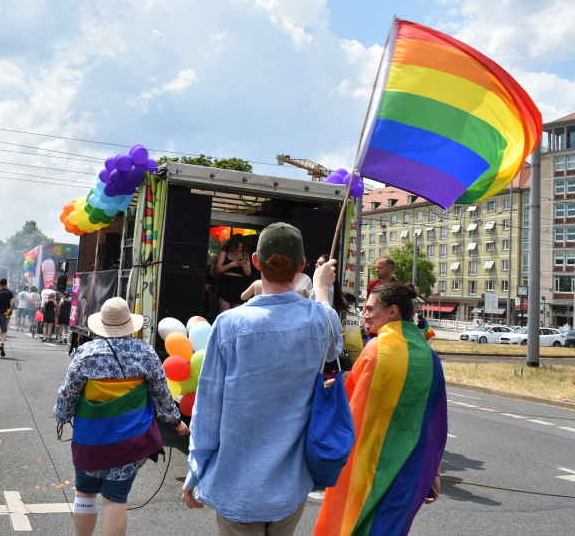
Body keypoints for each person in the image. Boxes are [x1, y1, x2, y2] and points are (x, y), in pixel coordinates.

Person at [183, 222, 341, 534]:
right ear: (301, 265)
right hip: (291, 487)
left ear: (256, 262)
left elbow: (209, 407)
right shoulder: (319, 321)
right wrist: (322, 286)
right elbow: (330, 325)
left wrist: (195, 471)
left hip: (237, 485)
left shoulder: (229, 324)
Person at [314, 282, 448, 536]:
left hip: (368, 466)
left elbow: (349, 408)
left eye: (370, 309)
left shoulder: (376, 349)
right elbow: (435, 422)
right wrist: (434, 472)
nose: (364, 315)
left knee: (350, 526)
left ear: (393, 311)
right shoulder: (431, 358)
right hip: (411, 469)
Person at [55, 297, 189, 536]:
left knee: (84, 494)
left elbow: (69, 392)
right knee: (115, 500)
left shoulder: (87, 352)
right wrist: (176, 422)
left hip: (91, 438)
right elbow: (161, 394)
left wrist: (62, 416)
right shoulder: (145, 352)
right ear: (129, 325)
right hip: (130, 439)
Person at [214, 235, 253, 313]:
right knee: (224, 314)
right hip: (225, 285)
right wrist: (231, 265)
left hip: (239, 287)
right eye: (237, 247)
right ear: (232, 245)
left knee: (236, 315)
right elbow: (217, 269)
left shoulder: (244, 254)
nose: (239, 250)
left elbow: (248, 274)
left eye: (241, 247)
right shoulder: (225, 252)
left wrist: (244, 264)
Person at [0, 278, 15, 357]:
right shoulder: (9, 292)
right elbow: (14, 302)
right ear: (6, 284)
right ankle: (2, 344)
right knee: (4, 331)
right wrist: (9, 311)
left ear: (0, 284)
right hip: (5, 314)